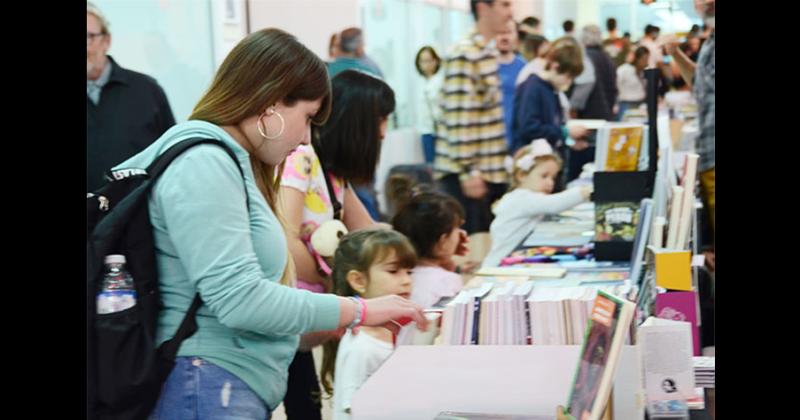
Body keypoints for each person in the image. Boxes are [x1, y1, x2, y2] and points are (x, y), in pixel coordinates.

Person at [112, 28, 427, 419]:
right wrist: (357, 309)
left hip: (218, 386)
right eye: (307, 118)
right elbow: (240, 302)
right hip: (206, 386)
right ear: (271, 104)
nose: (307, 138)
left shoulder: (228, 161)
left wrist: (313, 325)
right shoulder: (204, 163)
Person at [278, 69, 395, 419]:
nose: (384, 131)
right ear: (356, 121)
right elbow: (284, 238)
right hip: (292, 309)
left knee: (307, 400)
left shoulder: (333, 175)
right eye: (381, 119)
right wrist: (331, 283)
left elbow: (372, 233)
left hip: (310, 311)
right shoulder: (301, 159)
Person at [320, 229, 418, 420]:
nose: (406, 281)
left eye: (409, 272)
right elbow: (356, 410)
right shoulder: (361, 347)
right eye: (393, 271)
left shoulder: (396, 331)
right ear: (358, 280)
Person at [434, 0, 514, 235]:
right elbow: (458, 118)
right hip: (469, 177)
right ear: (482, 8)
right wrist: (469, 171)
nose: (510, 13)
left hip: (489, 171)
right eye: (504, 4)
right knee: (473, 254)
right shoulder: (465, 54)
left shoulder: (486, 52)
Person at [87, 2, 175, 192]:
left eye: (89, 37)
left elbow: (172, 156)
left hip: (138, 214)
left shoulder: (147, 90)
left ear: (106, 41)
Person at [483, 140, 592, 267]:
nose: (550, 183)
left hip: (510, 261)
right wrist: (584, 192)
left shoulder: (519, 197)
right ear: (522, 175)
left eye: (553, 177)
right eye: (544, 176)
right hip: (501, 264)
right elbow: (554, 204)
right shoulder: (522, 199)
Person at [391, 182, 468, 309]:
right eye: (457, 228)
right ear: (443, 241)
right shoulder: (448, 281)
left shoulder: (399, 278)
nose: (461, 234)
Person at [512, 38, 587, 155]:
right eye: (568, 76)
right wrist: (565, 132)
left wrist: (567, 140)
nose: (569, 82)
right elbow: (529, 127)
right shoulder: (532, 87)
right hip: (532, 159)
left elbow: (553, 125)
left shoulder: (551, 89)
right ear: (555, 66)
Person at [569, 24, 617, 182]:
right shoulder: (607, 58)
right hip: (606, 117)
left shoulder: (584, 59)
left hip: (587, 122)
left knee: (583, 175)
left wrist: (572, 114)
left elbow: (580, 95)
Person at [496, 20, 527, 151]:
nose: (505, 37)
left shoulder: (525, 69)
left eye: (509, 32)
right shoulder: (484, 67)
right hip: (490, 140)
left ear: (516, 36)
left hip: (517, 142)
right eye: (500, 32)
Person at [414, 46, 444, 164]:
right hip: (425, 131)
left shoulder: (440, 81)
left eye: (428, 60)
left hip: (437, 132)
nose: (425, 64)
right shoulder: (421, 82)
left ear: (436, 61)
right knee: (429, 166)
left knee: (437, 166)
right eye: (422, 61)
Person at [616, 46, 650, 120]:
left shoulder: (644, 72)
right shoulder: (624, 70)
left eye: (647, 59)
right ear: (637, 58)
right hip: (627, 104)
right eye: (644, 59)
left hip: (641, 104)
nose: (646, 62)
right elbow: (615, 85)